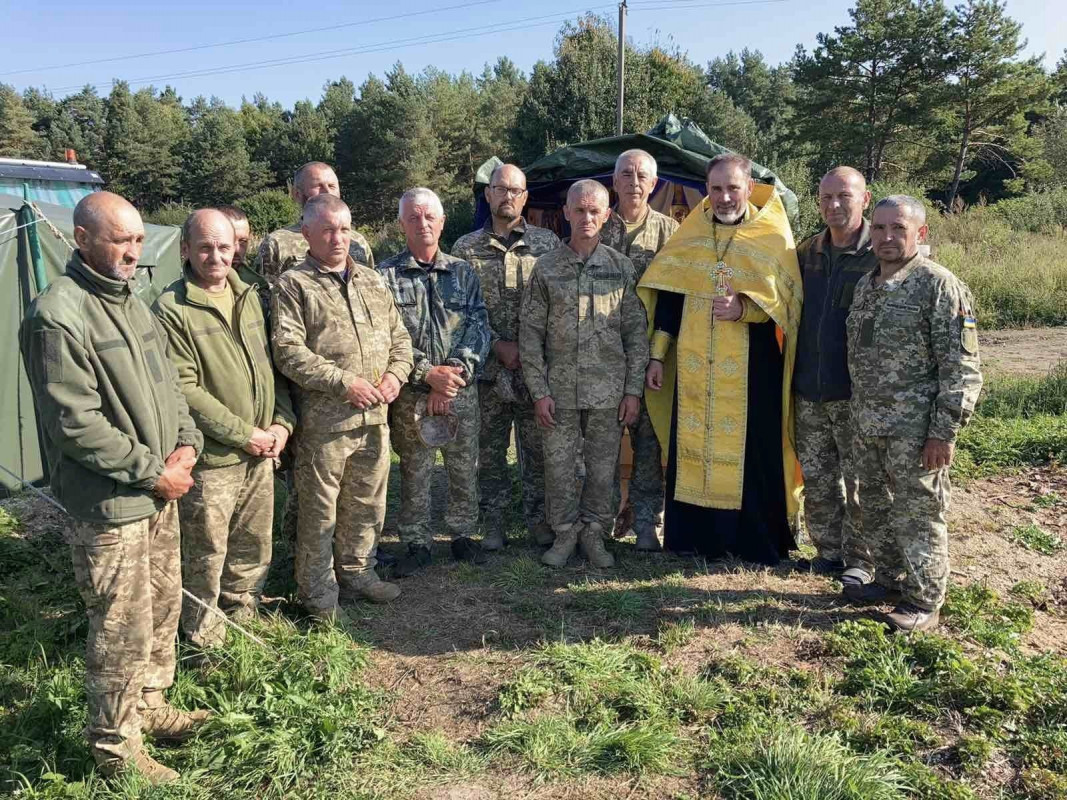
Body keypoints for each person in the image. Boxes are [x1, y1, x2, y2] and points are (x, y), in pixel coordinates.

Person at [19, 192, 209, 783]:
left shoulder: (133, 303)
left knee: (161, 608)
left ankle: (150, 708)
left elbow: (169, 388)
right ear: (80, 240)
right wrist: (155, 471)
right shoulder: (58, 315)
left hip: (160, 490)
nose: (132, 251)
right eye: (118, 240)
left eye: (135, 240)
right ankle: (114, 751)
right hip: (113, 505)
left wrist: (186, 443)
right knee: (119, 627)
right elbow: (76, 424)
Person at [639, 153, 802, 564]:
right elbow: (671, 299)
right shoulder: (690, 234)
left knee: (754, 449)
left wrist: (744, 308)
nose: (725, 197)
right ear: (707, 191)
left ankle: (752, 541)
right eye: (716, 189)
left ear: (749, 188)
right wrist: (657, 356)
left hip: (753, 367)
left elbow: (787, 303)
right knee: (691, 446)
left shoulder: (772, 234)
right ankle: (695, 539)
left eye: (733, 188)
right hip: (694, 367)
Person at [152, 209, 296, 648]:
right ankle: (203, 638)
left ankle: (242, 614)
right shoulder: (171, 307)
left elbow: (273, 367)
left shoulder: (251, 293)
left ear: (237, 247)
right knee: (207, 551)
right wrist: (245, 434)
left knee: (253, 543)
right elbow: (186, 390)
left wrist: (281, 423)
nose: (216, 257)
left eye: (224, 247)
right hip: (216, 457)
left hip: (262, 448)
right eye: (205, 248)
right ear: (185, 250)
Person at [844, 195, 983, 632]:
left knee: (919, 514)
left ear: (919, 234)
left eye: (898, 229)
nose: (887, 237)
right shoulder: (866, 284)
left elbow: (961, 370)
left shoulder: (939, 285)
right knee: (877, 510)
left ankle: (924, 600)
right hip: (869, 425)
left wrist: (943, 433)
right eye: (880, 228)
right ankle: (888, 580)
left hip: (917, 433)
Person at [272, 194, 413, 620]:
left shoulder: (372, 280)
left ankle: (359, 572)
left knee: (368, 503)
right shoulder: (294, 284)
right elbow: (287, 350)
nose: (338, 238)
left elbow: (400, 339)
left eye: (344, 229)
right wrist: (344, 382)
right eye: (328, 230)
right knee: (319, 513)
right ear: (308, 233)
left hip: (375, 418)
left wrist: (395, 375)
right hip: (326, 423)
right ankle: (318, 595)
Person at [519, 179, 649, 569]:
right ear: (566, 214)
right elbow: (530, 335)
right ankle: (564, 534)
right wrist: (539, 391)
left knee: (603, 470)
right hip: (559, 393)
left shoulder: (620, 267)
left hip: (608, 394)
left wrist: (633, 391)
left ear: (607, 215)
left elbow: (635, 334)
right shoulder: (546, 268)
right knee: (557, 469)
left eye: (595, 211)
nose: (586, 218)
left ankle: (595, 534)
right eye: (579, 210)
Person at [378, 188, 491, 576]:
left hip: (460, 387)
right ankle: (416, 540)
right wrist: (428, 374)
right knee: (415, 468)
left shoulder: (462, 272)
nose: (422, 224)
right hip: (412, 393)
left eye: (430, 217)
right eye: (414, 217)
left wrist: (454, 373)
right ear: (402, 224)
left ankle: (462, 534)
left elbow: (479, 325)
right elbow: (388, 337)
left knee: (463, 466)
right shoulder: (385, 277)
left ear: (442, 222)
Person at [452, 164, 560, 550]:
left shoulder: (547, 245)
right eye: (501, 189)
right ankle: (494, 522)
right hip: (488, 369)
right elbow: (459, 309)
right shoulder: (465, 248)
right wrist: (497, 344)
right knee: (490, 450)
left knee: (536, 450)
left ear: (526, 197)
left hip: (534, 369)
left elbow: (557, 306)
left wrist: (532, 352)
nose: (508, 196)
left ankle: (538, 520)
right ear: (488, 194)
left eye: (516, 190)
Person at [793, 167, 876, 575]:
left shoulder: (881, 254)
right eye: (826, 197)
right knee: (819, 477)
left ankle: (861, 561)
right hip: (808, 387)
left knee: (860, 481)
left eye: (844, 196)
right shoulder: (805, 252)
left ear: (865, 198)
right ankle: (827, 552)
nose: (834, 205)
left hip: (855, 393)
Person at [600, 149, 679, 551]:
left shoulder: (671, 233)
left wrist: (659, 354)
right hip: (599, 358)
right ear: (614, 182)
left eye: (642, 175)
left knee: (648, 442)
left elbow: (674, 300)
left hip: (649, 356)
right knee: (601, 442)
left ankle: (647, 520)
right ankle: (605, 516)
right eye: (625, 173)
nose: (633, 181)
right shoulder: (594, 224)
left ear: (654, 184)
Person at [257, 161, 375, 283]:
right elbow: (265, 296)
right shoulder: (278, 243)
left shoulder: (357, 241)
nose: (327, 192)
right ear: (297, 194)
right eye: (318, 186)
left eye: (332, 186)